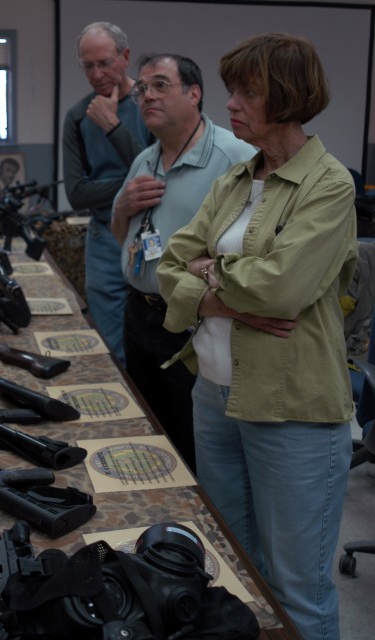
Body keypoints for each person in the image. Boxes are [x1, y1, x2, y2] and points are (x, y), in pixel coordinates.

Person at [157, 33, 357, 639]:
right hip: (214, 395)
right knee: (237, 572)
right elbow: (169, 267)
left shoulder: (329, 184)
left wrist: (208, 278)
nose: (232, 105)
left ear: (288, 96)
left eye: (248, 91)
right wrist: (228, 297)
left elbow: (279, 290)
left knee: (296, 589)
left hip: (290, 409)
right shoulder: (238, 179)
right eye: (231, 92)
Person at [111, 53, 255, 471]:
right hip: (138, 312)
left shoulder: (234, 157)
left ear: (195, 94)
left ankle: (195, 531)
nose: (146, 96)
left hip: (195, 320)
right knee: (150, 428)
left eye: (160, 85)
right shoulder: (145, 159)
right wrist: (122, 206)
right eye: (141, 89)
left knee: (194, 443)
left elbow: (252, 249)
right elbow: (123, 237)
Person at [62, 22, 152, 364]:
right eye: (88, 66)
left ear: (125, 57)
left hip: (151, 233)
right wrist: (134, 185)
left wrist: (112, 127)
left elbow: (161, 175)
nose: (97, 74)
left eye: (105, 63)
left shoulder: (151, 103)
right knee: (110, 346)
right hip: (103, 239)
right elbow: (77, 194)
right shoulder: (76, 116)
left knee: (156, 339)